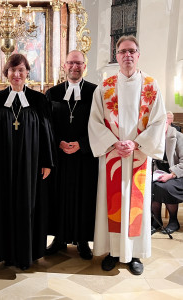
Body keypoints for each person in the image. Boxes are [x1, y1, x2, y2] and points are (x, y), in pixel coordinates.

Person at [88, 35, 166, 275]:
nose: (127, 55)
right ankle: (113, 252)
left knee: (135, 206)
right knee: (112, 205)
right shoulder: (106, 86)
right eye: (122, 51)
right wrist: (114, 143)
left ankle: (133, 255)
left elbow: (159, 121)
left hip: (139, 156)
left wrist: (136, 144)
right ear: (117, 56)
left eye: (132, 50)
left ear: (138, 55)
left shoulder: (151, 85)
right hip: (113, 156)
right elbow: (95, 121)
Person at [0, 53, 54, 270]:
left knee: (28, 206)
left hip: (31, 165)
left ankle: (27, 254)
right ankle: (7, 254)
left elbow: (46, 133)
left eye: (21, 70)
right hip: (4, 165)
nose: (17, 74)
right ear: (6, 73)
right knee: (5, 206)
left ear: (27, 73)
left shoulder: (38, 99)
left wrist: (47, 162)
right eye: (13, 70)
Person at [45, 50, 98, 259]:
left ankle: (83, 240)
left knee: (83, 198)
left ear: (84, 66)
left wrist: (82, 144)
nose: (74, 67)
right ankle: (59, 238)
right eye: (70, 63)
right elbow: (46, 124)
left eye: (78, 63)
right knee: (59, 197)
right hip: (59, 157)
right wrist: (58, 142)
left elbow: (101, 125)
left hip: (85, 157)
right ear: (64, 66)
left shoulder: (96, 92)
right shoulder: (53, 93)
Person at [151, 122, 183, 235]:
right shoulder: (154, 137)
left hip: (178, 175)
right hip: (159, 173)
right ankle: (156, 221)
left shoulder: (178, 137)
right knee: (151, 186)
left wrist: (171, 175)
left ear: (166, 123)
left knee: (166, 187)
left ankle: (174, 221)